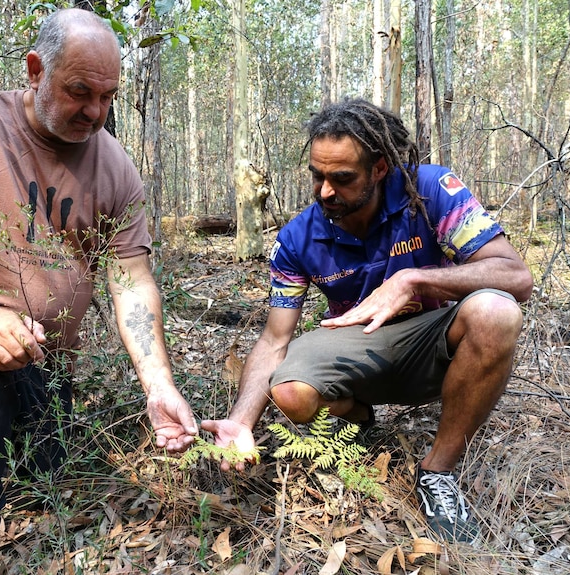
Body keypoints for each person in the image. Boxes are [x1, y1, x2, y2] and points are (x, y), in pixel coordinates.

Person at [0, 9, 198, 574]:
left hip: (46, 353)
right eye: (80, 92)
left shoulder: (116, 167)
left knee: (47, 460)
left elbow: (130, 280)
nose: (95, 112)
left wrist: (159, 386)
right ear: (35, 70)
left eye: (108, 97)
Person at [201, 98, 533, 543]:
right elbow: (275, 339)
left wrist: (414, 280)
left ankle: (438, 472)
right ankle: (358, 418)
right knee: (289, 393)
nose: (324, 192)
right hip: (355, 347)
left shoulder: (430, 190)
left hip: (430, 345)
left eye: (342, 179)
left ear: (379, 168)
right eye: (317, 176)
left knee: (496, 311)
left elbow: (516, 276)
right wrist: (242, 422)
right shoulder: (297, 238)